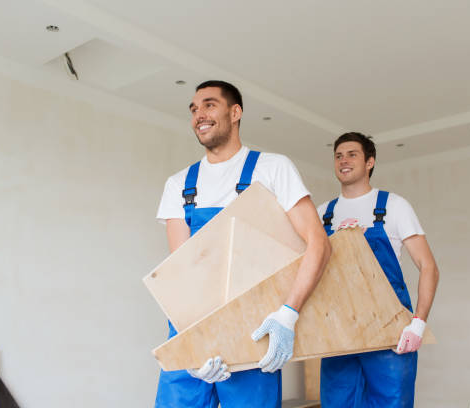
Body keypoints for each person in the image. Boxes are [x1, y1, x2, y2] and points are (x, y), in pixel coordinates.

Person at [155, 80, 331, 407]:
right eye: (193, 109)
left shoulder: (272, 169)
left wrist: (288, 315)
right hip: (191, 329)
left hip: (253, 329)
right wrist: (194, 347)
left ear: (235, 112)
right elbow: (180, 274)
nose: (198, 114)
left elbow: (319, 245)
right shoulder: (178, 185)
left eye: (209, 104)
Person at [317, 132, 439, 408]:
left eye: (352, 154)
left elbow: (428, 266)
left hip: (389, 332)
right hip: (339, 334)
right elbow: (307, 269)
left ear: (370, 162)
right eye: (338, 156)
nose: (343, 161)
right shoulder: (324, 214)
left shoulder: (393, 206)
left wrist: (418, 323)